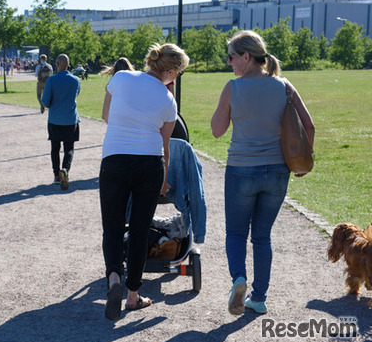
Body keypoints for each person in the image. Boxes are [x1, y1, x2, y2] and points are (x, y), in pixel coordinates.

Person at [210, 30, 315, 316]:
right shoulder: (284, 85)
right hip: (278, 171)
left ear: (246, 56)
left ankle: (238, 279)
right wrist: (303, 163)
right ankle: (259, 298)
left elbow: (217, 131)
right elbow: (309, 127)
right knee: (262, 237)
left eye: (231, 57)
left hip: (242, 169)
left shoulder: (233, 87)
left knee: (235, 233)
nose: (229, 63)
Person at [100, 44, 189, 321]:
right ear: (171, 71)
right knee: (139, 230)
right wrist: (163, 180)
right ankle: (133, 296)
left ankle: (114, 277)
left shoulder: (122, 77)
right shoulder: (167, 99)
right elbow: (165, 146)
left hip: (114, 159)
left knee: (113, 227)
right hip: (148, 164)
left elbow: (106, 116)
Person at [41, 54, 80, 190]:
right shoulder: (76, 80)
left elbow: (45, 101)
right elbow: (76, 94)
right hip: (70, 119)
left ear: (57, 65)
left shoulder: (51, 80)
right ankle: (65, 169)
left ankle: (57, 175)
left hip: (55, 120)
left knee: (55, 148)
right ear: (68, 65)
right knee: (69, 148)